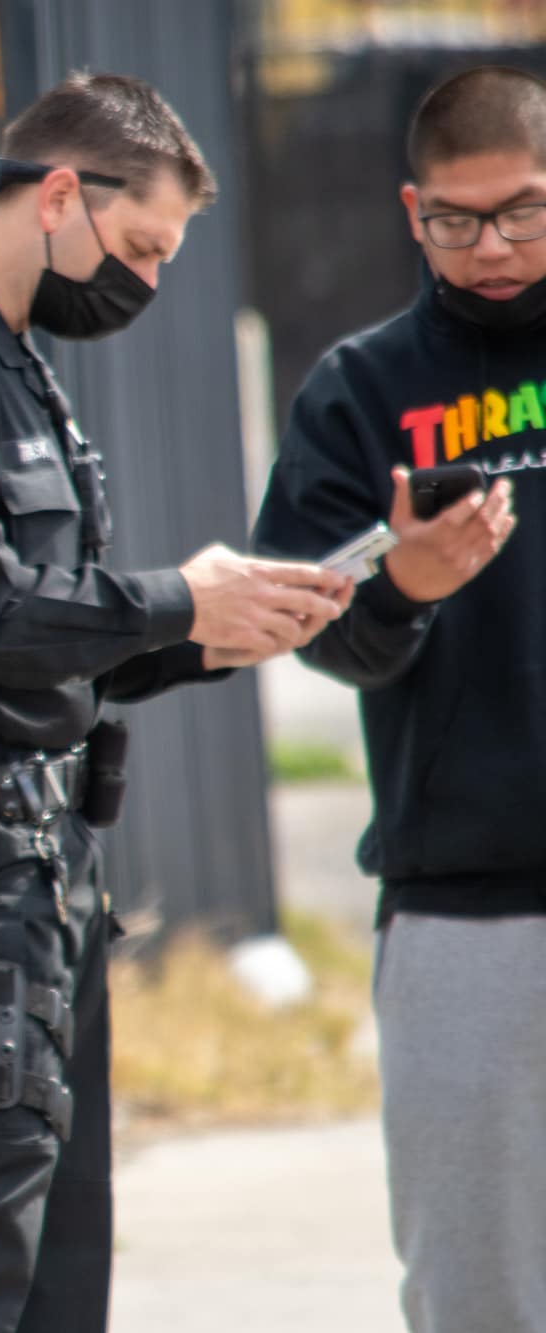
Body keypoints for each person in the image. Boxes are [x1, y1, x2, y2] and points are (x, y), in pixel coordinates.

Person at [0, 73, 354, 1332]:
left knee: (50, 1242)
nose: (140, 282)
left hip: (30, 868)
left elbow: (46, 640)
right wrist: (170, 601)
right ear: (55, 194)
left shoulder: (7, 356)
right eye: (137, 245)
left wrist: (217, 631)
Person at [252, 65, 529, 1333]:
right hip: (466, 910)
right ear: (410, 212)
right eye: (456, 221)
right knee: (475, 1288)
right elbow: (316, 636)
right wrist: (403, 588)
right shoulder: (360, 391)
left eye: (523, 211)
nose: (491, 247)